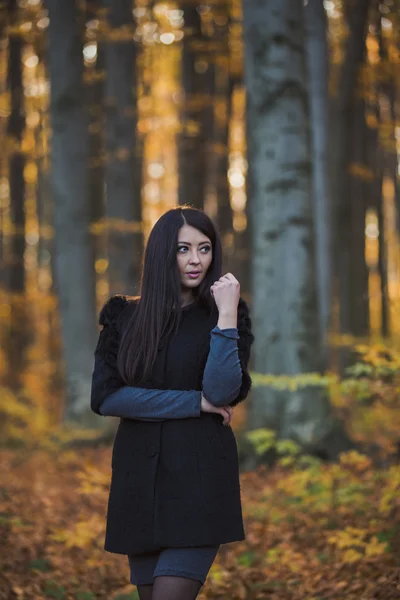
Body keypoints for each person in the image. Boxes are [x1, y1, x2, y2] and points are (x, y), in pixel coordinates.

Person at [90, 206, 254, 600]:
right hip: (139, 483)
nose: (196, 259)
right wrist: (193, 403)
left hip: (199, 482)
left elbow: (221, 391)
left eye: (205, 248)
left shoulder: (226, 315)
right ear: (163, 253)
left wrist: (227, 313)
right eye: (183, 249)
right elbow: (108, 397)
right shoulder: (123, 316)